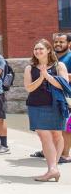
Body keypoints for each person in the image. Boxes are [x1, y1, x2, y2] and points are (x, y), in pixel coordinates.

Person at [24, 39, 69, 182]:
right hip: (36, 105)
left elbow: (64, 86)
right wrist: (41, 77)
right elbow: (29, 88)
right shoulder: (29, 68)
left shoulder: (59, 65)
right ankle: (52, 169)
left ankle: (53, 168)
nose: (37, 51)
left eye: (40, 49)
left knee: (56, 135)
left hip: (56, 105)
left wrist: (48, 76)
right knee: (45, 136)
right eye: (35, 49)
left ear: (49, 50)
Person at [53, 32, 71, 163]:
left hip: (68, 97)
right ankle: (51, 151)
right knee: (54, 125)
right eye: (56, 42)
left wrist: (62, 76)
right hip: (56, 97)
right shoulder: (54, 58)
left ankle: (65, 154)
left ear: (69, 44)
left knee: (66, 127)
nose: (58, 44)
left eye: (61, 42)